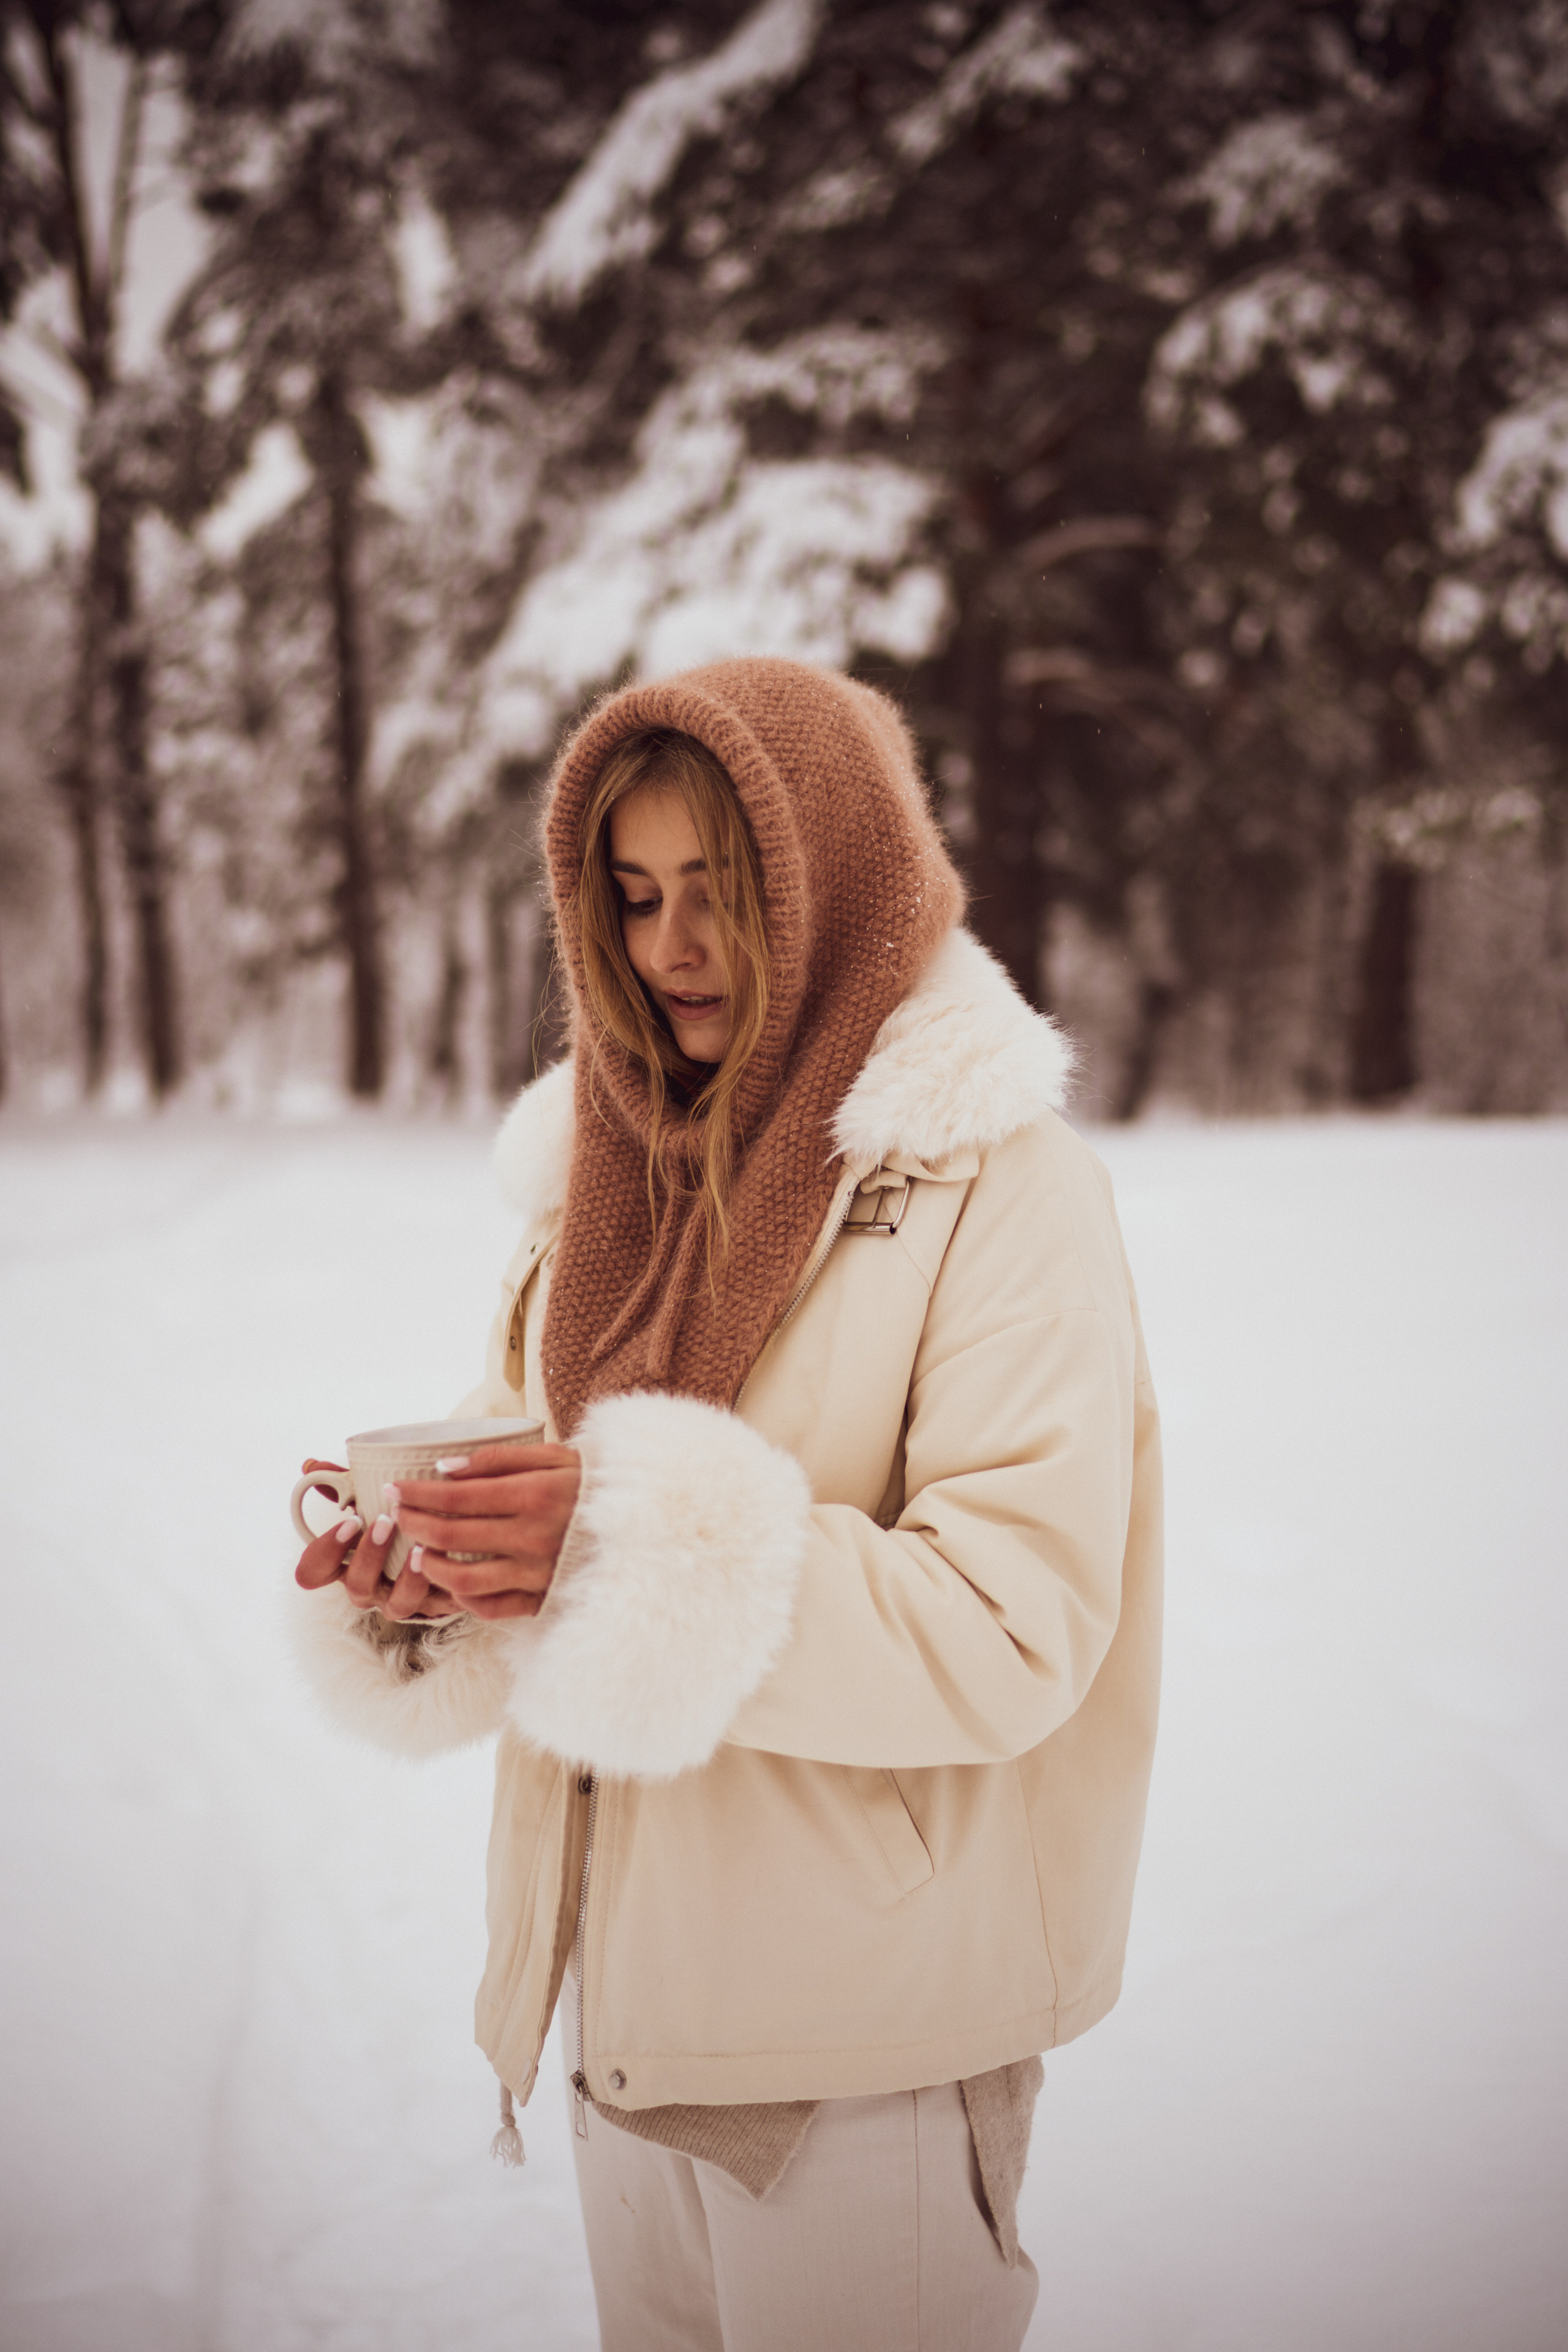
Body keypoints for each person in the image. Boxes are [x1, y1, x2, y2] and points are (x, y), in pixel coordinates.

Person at [293, 656, 1163, 2352]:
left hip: (869, 2068)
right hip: (631, 2029)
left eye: (721, 891)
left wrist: (613, 1544)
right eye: (631, 896)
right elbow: (520, 1468)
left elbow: (1014, 1626)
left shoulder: (1000, 1188)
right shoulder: (606, 1179)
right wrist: (420, 1569)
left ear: (830, 877)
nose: (671, 948)